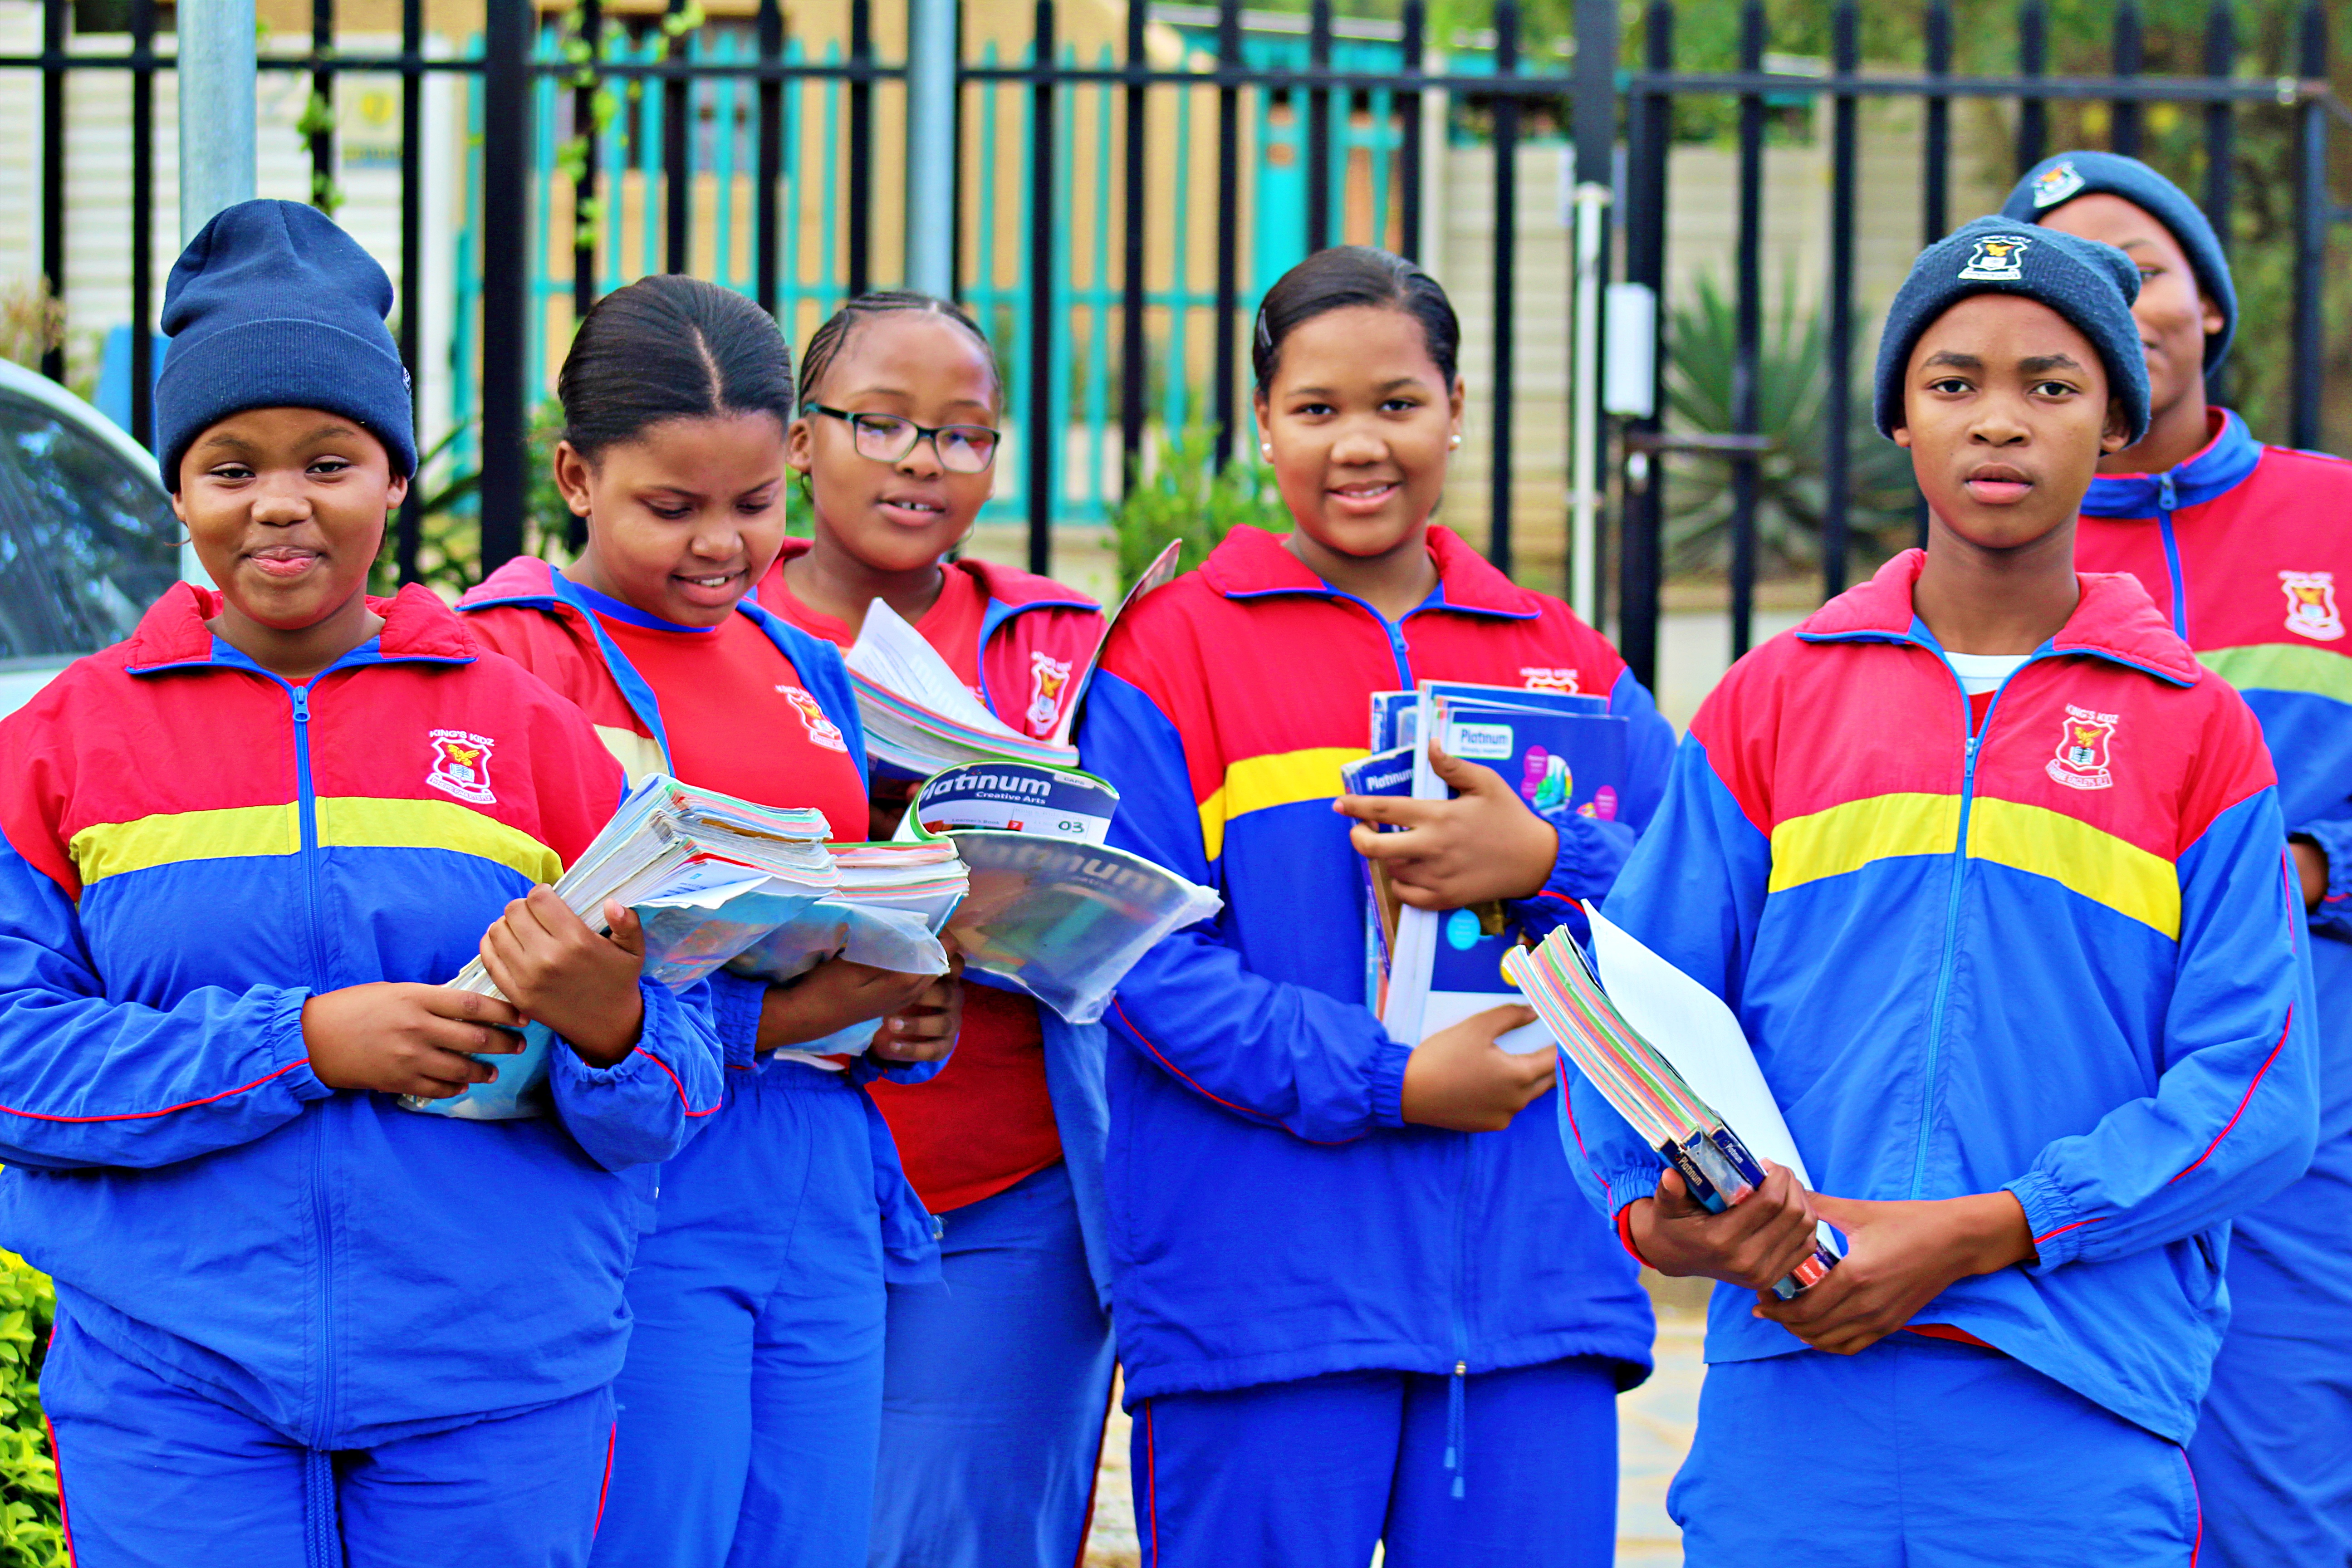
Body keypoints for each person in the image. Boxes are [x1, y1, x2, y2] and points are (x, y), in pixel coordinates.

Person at [1574, 216, 2317, 1565]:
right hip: (1793, 1378)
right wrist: (1666, 1219)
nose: (2000, 420)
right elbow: (1632, 1009)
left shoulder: (2198, 731)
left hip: (2074, 1392)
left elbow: (2256, 1096)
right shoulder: (1773, 700)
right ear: (1900, 421)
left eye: (2052, 384)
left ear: (2114, 426)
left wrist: (1994, 1230)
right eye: (1954, 381)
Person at [0, 199, 725, 1565]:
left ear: (393, 480)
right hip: (173, 1386)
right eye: (231, 466)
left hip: (498, 1383)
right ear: (178, 491)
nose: (281, 503)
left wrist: (612, 1026)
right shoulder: (58, 747)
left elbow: (682, 1086)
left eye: (330, 461)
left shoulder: (535, 736)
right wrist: (304, 1043)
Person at [1076, 246, 1675, 1568]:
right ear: (1264, 424)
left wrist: (1547, 854)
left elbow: (1697, 906)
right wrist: (1391, 1080)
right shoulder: (1173, 654)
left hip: (1534, 1303)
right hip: (1266, 1302)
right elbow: (1138, 957)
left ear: (1456, 408)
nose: (1361, 444)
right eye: (1318, 408)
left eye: (1399, 403)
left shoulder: (1565, 660)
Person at [457, 274, 960, 1568]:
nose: (721, 546)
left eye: (752, 504)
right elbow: (497, 962)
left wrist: (900, 1008)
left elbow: (842, 894)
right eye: (672, 509)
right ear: (576, 477)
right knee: (652, 1531)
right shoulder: (510, 661)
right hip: (633, 1177)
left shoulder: (808, 668)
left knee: (815, 1537)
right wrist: (770, 1019)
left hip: (821, 1174)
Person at [2002, 151, 2352, 1567]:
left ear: (2207, 305)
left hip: (2308, 1133)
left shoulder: (2333, 519)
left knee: (2278, 1508)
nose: (2112, 299)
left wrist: (2311, 867)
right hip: (2061, 1125)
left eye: (2138, 267)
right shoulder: (1994, 550)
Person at [752, 291, 1116, 1568]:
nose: (922, 460)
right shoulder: (715, 621)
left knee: (966, 1532)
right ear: (801, 441)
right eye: (882, 424)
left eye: (962, 434)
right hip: (763, 1174)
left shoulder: (1061, 644)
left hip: (1006, 1182)